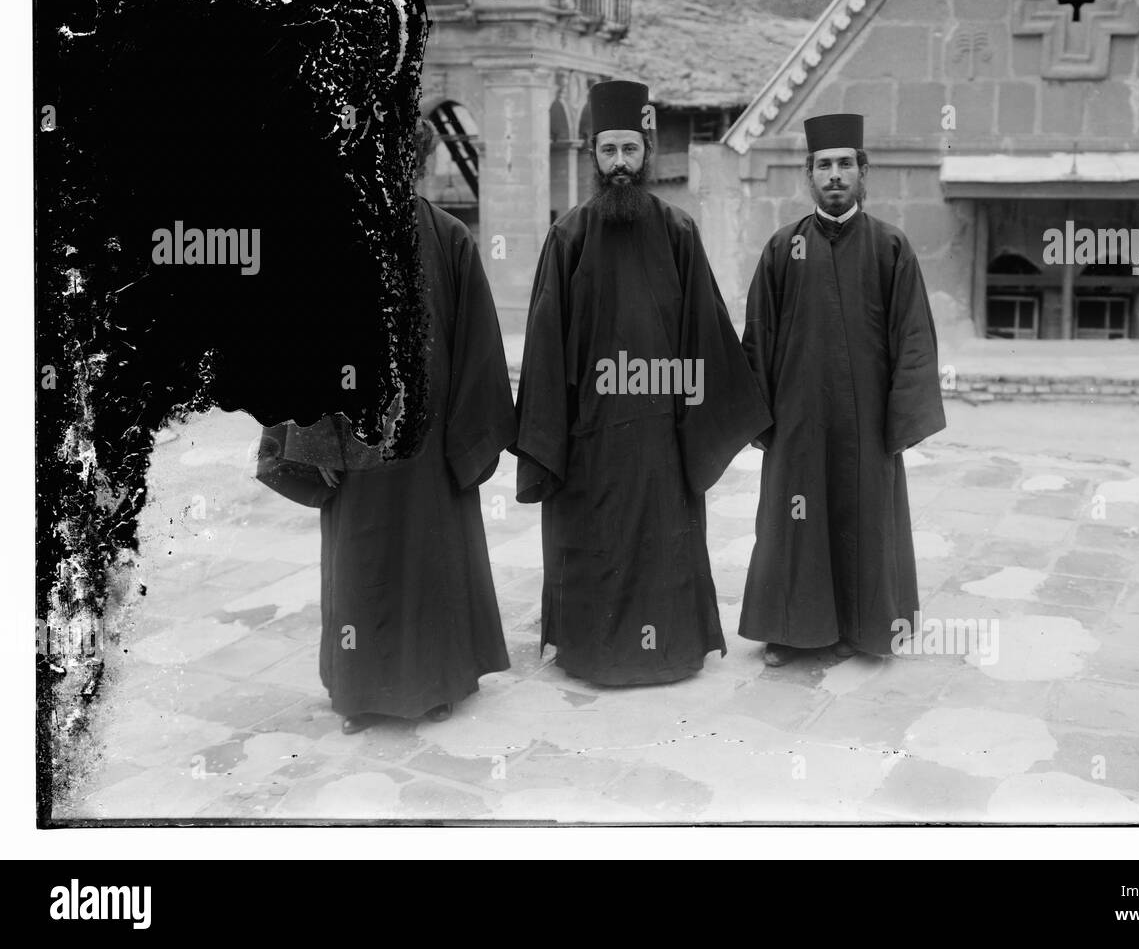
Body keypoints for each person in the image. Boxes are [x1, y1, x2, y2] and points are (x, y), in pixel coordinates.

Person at [257, 118, 514, 732]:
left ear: (418, 160)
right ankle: (360, 691)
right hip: (356, 443)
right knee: (360, 567)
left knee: (433, 559)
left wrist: (465, 442)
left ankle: (438, 679)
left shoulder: (451, 237)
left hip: (430, 447)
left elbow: (479, 343)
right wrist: (311, 436)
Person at [513, 79, 770, 686]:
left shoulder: (678, 232)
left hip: (661, 435)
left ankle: (669, 652)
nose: (620, 164)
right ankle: (591, 653)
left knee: (662, 546)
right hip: (588, 436)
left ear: (645, 152)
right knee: (592, 545)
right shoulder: (568, 235)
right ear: (594, 157)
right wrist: (550, 434)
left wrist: (697, 419)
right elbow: (546, 344)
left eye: (630, 150)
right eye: (608, 152)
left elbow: (706, 333)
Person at [739, 113, 946, 667]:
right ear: (808, 174)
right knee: (793, 523)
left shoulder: (890, 247)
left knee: (866, 520)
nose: (835, 175)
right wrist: (762, 421)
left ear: (863, 171)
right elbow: (757, 336)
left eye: (845, 164)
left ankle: (866, 628)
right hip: (799, 422)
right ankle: (790, 630)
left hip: (868, 424)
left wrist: (901, 421)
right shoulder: (783, 249)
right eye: (824, 165)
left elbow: (915, 338)